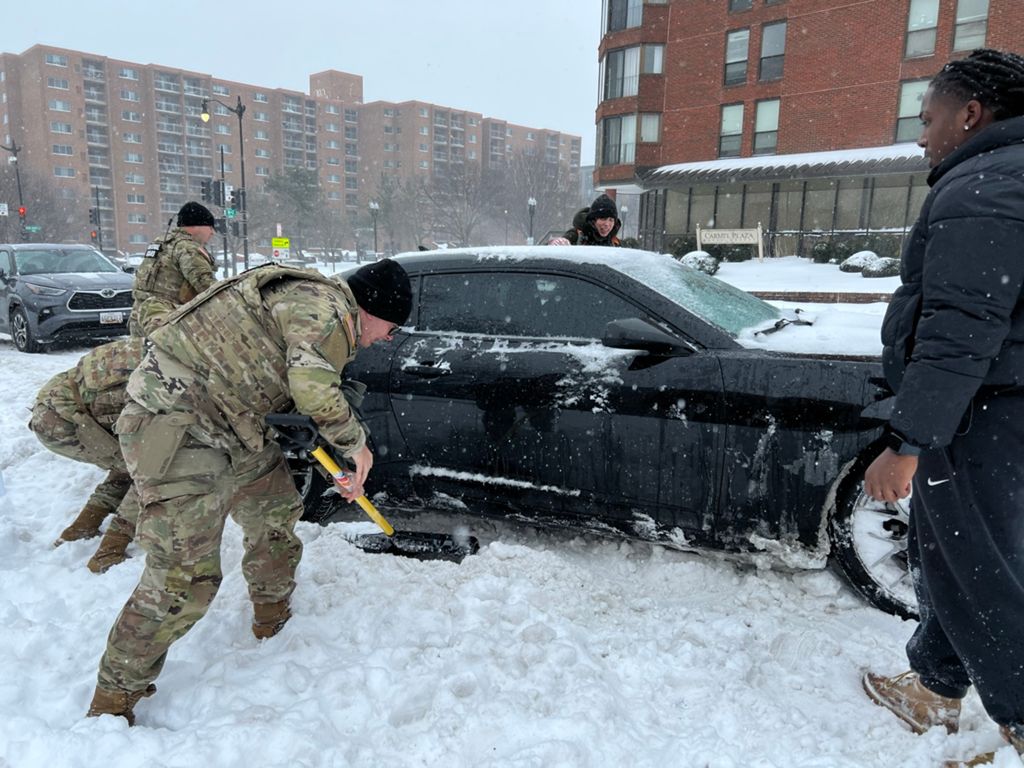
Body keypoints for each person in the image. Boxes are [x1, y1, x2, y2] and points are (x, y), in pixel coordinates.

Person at [85, 258, 412, 725]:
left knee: (274, 509)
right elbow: (312, 387)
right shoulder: (325, 312)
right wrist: (355, 445)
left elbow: (291, 388)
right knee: (185, 575)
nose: (387, 340)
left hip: (231, 423)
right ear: (372, 310)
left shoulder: (317, 304)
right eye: (391, 329)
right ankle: (114, 697)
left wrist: (331, 455)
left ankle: (271, 613)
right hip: (177, 426)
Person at [861, 48, 1024, 766]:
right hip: (993, 409)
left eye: (928, 120)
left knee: (981, 570)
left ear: (971, 114)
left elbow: (960, 331)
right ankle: (935, 683)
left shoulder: (985, 185)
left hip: (985, 415)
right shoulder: (1006, 177)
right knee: (955, 554)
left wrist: (908, 441)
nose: (922, 136)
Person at [29, 337, 144, 573]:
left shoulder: (169, 344)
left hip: (58, 397)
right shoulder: (175, 376)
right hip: (65, 420)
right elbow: (152, 469)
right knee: (154, 470)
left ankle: (82, 528)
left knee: (131, 462)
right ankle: (109, 551)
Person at [129, 200, 218, 337]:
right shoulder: (187, 248)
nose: (212, 232)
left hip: (140, 319)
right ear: (197, 226)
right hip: (166, 322)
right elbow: (208, 288)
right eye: (210, 227)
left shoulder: (161, 242)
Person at [547, 193, 622, 247]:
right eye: (603, 218)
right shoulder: (577, 235)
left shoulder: (615, 243)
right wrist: (556, 244)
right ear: (593, 220)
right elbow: (549, 251)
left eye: (611, 220)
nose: (607, 224)